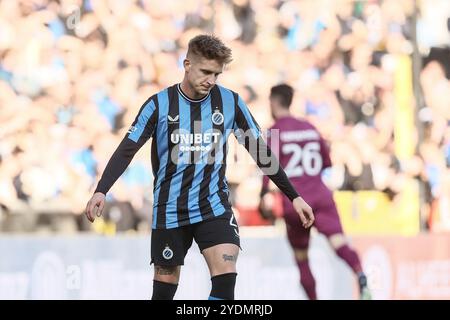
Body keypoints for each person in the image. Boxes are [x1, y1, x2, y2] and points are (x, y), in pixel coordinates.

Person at [85, 35, 314, 300]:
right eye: (206, 72)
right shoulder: (158, 105)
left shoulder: (231, 103)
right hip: (170, 209)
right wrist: (102, 190)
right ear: (187, 64)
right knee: (163, 293)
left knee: (226, 277)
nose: (211, 80)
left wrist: (293, 196)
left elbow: (260, 152)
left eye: (217, 74)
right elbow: (127, 149)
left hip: (213, 206)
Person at [259, 84, 371, 300]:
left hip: (295, 201)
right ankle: (360, 273)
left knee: (302, 258)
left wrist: (263, 193)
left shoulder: (274, 131)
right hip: (321, 195)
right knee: (338, 242)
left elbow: (268, 167)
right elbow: (327, 161)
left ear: (273, 101)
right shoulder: (309, 126)